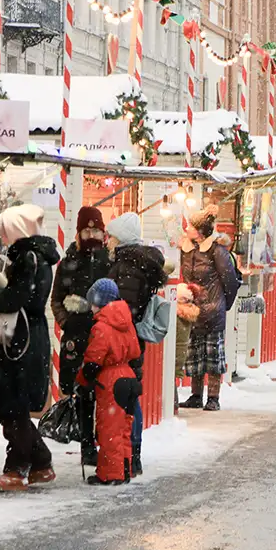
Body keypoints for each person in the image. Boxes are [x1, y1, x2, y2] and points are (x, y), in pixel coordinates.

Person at [0, 204, 60, 492]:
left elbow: (18, 299)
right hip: (29, 337)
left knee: (12, 408)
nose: (2, 238)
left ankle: (28, 465)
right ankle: (30, 466)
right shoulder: (39, 256)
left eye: (4, 231)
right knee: (16, 409)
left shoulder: (27, 257)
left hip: (19, 341)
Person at [49, 206, 111, 467]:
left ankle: (104, 441)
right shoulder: (69, 262)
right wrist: (68, 322)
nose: (91, 235)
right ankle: (87, 444)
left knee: (105, 392)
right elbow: (56, 300)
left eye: (95, 231)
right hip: (78, 336)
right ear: (79, 233)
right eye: (86, 231)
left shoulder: (110, 260)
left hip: (104, 336)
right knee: (82, 392)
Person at [107, 211, 167, 475]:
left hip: (124, 341)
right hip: (132, 339)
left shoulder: (127, 267)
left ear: (120, 238)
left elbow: (124, 310)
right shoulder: (138, 263)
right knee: (130, 394)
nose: (107, 241)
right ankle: (131, 454)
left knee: (127, 398)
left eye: (111, 236)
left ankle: (130, 455)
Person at [75, 279, 141, 486]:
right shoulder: (126, 323)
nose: (91, 308)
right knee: (124, 429)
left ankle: (111, 475)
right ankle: (124, 469)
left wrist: (82, 381)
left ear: (99, 302)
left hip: (111, 380)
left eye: (93, 303)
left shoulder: (102, 327)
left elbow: (93, 360)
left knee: (109, 430)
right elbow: (136, 351)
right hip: (129, 376)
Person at [178, 204, 240, 412]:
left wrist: (222, 305)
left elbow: (230, 281)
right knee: (195, 354)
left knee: (213, 356)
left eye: (191, 226)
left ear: (201, 231)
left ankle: (213, 397)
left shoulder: (217, 251)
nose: (187, 228)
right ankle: (196, 396)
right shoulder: (187, 250)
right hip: (193, 310)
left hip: (213, 310)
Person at [174, 283, 200, 413]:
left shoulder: (176, 316)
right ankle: (174, 404)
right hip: (180, 354)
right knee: (172, 379)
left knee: (169, 379)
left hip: (174, 354)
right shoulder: (187, 314)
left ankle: (173, 405)